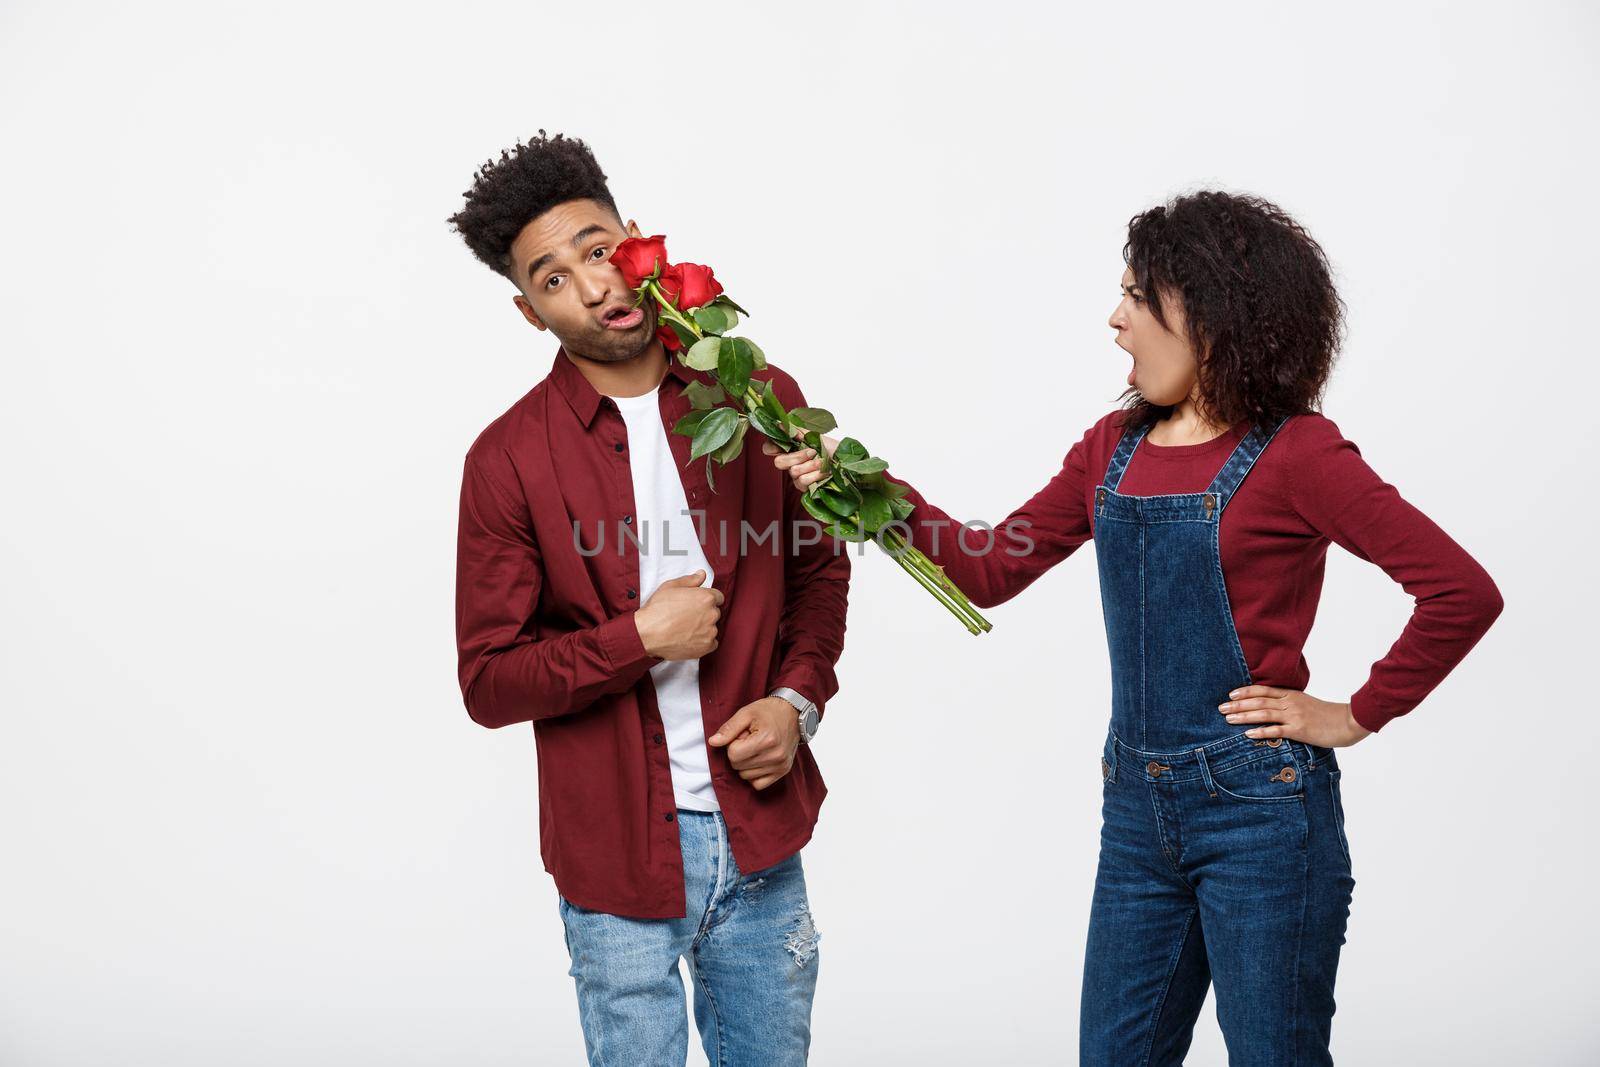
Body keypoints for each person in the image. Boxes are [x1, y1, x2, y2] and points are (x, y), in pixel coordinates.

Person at [767, 190, 1504, 1065]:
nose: (1115, 321)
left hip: (1261, 814)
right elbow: (986, 566)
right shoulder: (1108, 448)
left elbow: (1461, 590)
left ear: (1212, 312)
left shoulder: (1299, 454)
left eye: (1136, 296)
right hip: (1137, 813)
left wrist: (1354, 712)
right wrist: (859, 489)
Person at [448, 131, 849, 1066]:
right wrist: (637, 637)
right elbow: (489, 681)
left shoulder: (753, 395)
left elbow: (819, 569)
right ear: (528, 311)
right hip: (614, 859)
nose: (591, 287)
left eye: (596, 251)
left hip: (760, 839)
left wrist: (796, 703)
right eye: (553, 279)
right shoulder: (505, 461)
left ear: (636, 240)